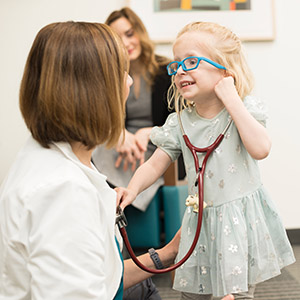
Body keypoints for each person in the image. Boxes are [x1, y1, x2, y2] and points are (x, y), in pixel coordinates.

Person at [0, 21, 182, 300]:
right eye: (122, 73)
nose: (130, 80)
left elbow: (103, 277)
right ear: (95, 91)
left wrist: (167, 253)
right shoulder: (63, 193)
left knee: (144, 288)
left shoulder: (48, 154)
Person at [116, 21, 296, 299]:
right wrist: (132, 189)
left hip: (238, 223)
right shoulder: (180, 123)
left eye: (191, 61)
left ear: (225, 69)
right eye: (176, 65)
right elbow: (154, 164)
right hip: (200, 222)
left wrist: (232, 99)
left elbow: (261, 148)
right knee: (194, 293)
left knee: (235, 295)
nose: (180, 71)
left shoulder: (242, 110)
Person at [92, 7, 183, 212]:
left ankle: (122, 201)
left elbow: (182, 120)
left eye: (129, 34)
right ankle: (111, 209)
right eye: (118, 38)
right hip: (119, 145)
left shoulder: (166, 70)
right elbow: (100, 116)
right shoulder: (109, 75)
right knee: (96, 148)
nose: (125, 43)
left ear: (140, 32)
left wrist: (148, 133)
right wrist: (119, 134)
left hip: (156, 142)